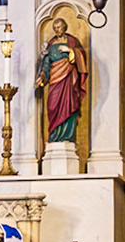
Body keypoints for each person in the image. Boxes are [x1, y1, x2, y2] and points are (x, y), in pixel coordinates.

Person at [36, 16, 89, 146]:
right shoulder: (51, 43)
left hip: (69, 78)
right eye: (55, 28)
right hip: (55, 78)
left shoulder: (72, 41)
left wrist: (71, 51)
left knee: (68, 104)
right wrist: (42, 75)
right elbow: (46, 63)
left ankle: (67, 136)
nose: (57, 30)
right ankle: (54, 135)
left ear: (64, 27)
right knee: (53, 104)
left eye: (59, 27)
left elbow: (81, 56)